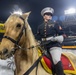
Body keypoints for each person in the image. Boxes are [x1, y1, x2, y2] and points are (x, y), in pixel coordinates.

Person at [36, 7, 66, 75]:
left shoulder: (55, 24)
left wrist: (57, 38)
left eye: (50, 15)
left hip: (54, 46)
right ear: (44, 16)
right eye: (47, 14)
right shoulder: (40, 26)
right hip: (43, 46)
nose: (49, 16)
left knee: (56, 60)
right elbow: (38, 36)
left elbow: (63, 34)